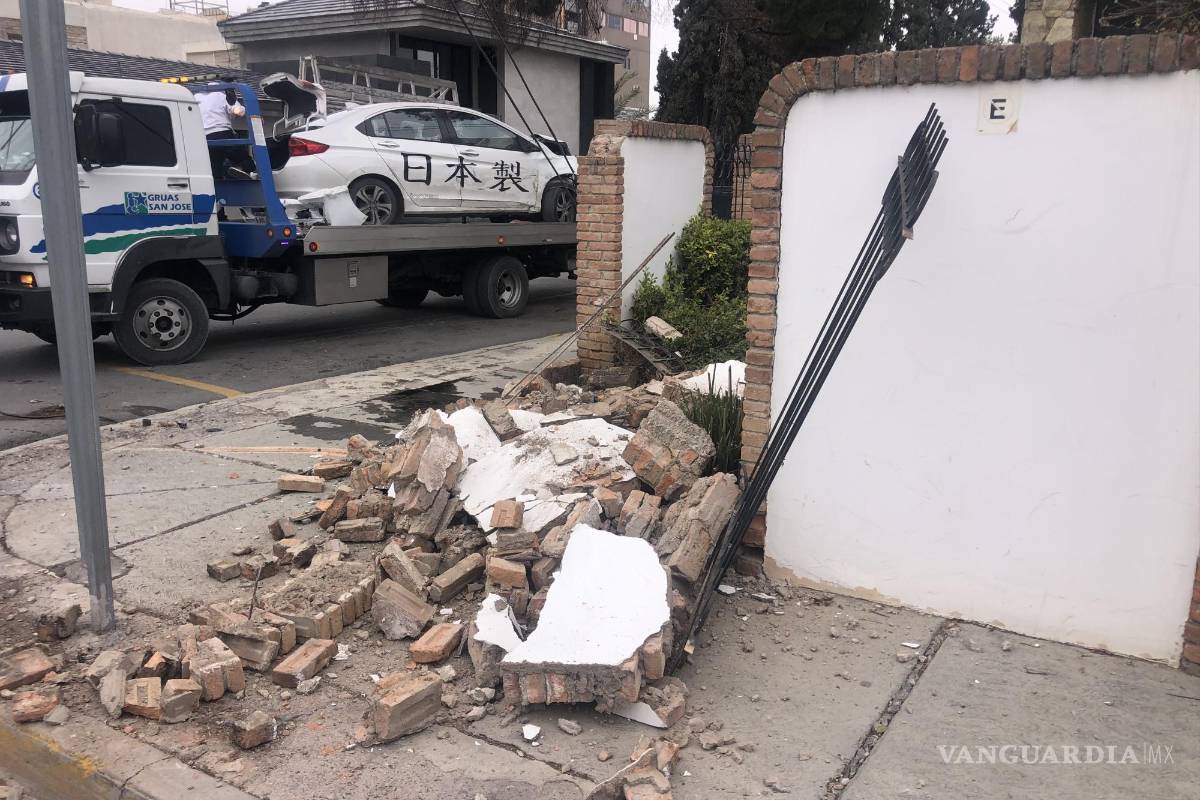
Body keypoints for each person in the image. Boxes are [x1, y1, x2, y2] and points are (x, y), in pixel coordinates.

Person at [197, 84, 248, 178]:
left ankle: (219, 179)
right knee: (244, 159)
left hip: (204, 138)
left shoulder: (195, 98)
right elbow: (239, 111)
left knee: (214, 165)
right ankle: (242, 168)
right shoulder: (222, 95)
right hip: (223, 133)